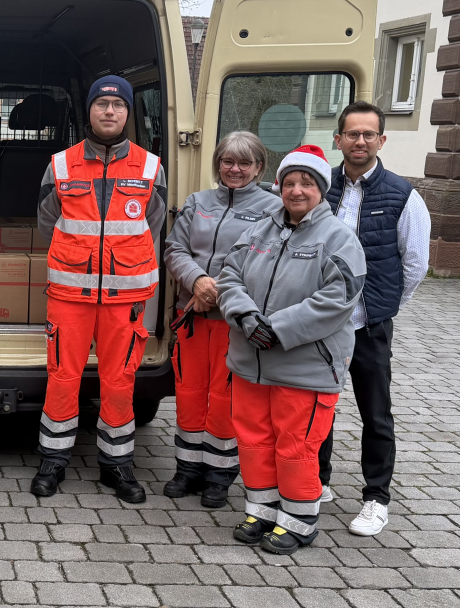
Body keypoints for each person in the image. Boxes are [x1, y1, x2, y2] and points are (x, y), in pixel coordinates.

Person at [218, 145, 366, 555]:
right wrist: (245, 316)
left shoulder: (338, 237)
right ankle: (262, 512)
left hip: (305, 367)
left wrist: (278, 328)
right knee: (253, 441)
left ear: (321, 189)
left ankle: (300, 521)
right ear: (279, 186)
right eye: (289, 183)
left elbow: (339, 298)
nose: (296, 191)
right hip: (251, 361)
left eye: (306, 183)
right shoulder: (259, 231)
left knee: (296, 445)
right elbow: (229, 275)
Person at [32, 75, 167, 503]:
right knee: (62, 378)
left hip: (124, 300)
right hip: (70, 295)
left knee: (120, 381)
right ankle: (53, 461)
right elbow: (47, 223)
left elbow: (151, 225)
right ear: (88, 110)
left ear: (128, 112)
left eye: (118, 104)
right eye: (101, 104)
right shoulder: (60, 165)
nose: (110, 111)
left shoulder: (151, 167)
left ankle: (117, 465)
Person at [317, 101, 431, 536]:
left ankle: (376, 498)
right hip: (322, 323)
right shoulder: (319, 186)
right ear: (339, 139)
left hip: (369, 324)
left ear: (381, 140)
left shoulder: (403, 194)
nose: (360, 141)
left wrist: (385, 306)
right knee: (317, 406)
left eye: (368, 134)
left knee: (376, 413)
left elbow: (415, 262)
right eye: (352, 134)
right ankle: (317, 482)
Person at [163, 132, 280, 508]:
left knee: (225, 399)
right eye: (228, 161)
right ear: (218, 164)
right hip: (192, 317)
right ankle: (187, 469)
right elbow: (175, 248)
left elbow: (266, 262)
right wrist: (197, 281)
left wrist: (219, 292)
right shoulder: (198, 202)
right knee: (190, 393)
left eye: (245, 163)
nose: (235, 169)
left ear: (259, 167)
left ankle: (219, 474)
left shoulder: (273, 208)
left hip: (234, 322)